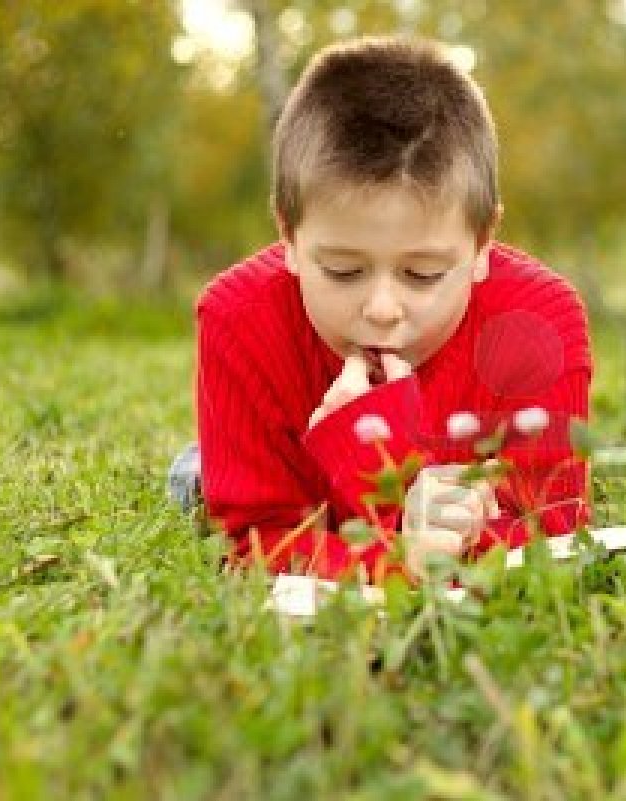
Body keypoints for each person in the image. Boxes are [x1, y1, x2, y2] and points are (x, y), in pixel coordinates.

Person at [179, 35, 592, 583]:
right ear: (289, 234)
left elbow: (551, 528)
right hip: (286, 472)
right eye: (343, 271)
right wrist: (402, 552)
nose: (381, 310)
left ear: (482, 242)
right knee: (196, 484)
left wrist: (417, 523)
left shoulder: (540, 321)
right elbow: (259, 540)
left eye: (422, 275)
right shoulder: (238, 319)